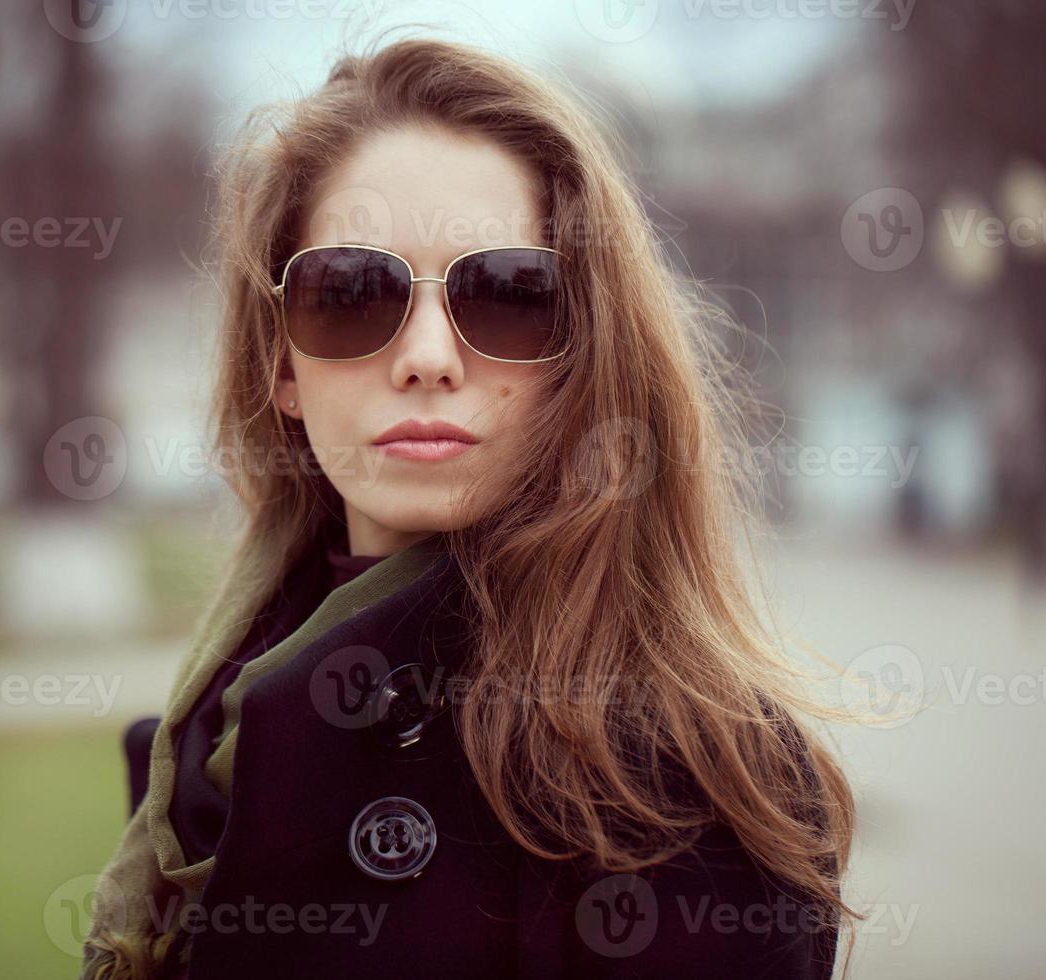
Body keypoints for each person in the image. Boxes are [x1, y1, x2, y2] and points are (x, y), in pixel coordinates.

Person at [81, 34, 859, 980]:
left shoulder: (684, 779)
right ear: (281, 363)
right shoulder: (214, 726)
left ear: (583, 355)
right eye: (351, 291)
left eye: (507, 294)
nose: (427, 357)